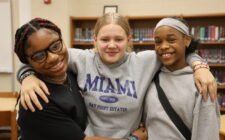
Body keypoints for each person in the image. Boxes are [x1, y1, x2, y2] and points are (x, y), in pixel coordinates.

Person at [16, 13, 216, 138]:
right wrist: (26, 76)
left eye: (119, 39)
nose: (111, 45)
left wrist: (200, 67)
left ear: (129, 40)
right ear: (94, 39)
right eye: (104, 39)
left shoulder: (145, 61)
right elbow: (45, 59)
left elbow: (178, 51)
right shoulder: (82, 58)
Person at [14, 18, 147, 140]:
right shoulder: (37, 101)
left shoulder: (69, 73)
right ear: (95, 39)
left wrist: (27, 75)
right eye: (39, 56)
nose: (53, 57)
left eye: (55, 46)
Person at [144, 17, 220, 140]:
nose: (163, 46)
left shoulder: (201, 82)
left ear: (187, 40)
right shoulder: (151, 76)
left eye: (171, 40)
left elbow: (207, 132)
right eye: (158, 41)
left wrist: (200, 67)